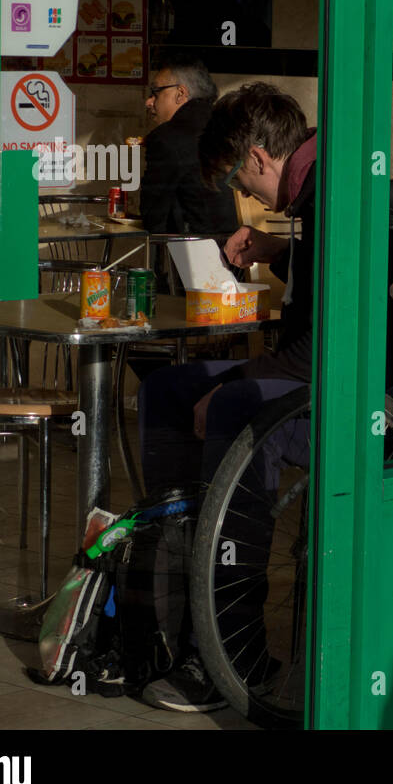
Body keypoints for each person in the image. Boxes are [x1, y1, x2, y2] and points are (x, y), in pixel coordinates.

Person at [135, 82, 315, 713]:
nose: (244, 196)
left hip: (363, 401)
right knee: (168, 389)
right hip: (318, 376)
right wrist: (278, 250)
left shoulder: (332, 194)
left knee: (238, 406)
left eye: (242, 180)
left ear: (262, 157)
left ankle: (227, 652)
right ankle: (170, 613)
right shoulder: (312, 192)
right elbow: (325, 281)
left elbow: (317, 352)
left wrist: (237, 385)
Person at [138, 53, 239, 237]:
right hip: (242, 245)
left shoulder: (167, 138)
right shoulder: (229, 123)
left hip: (196, 252)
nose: (149, 102)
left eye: (155, 92)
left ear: (181, 94)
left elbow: (152, 216)